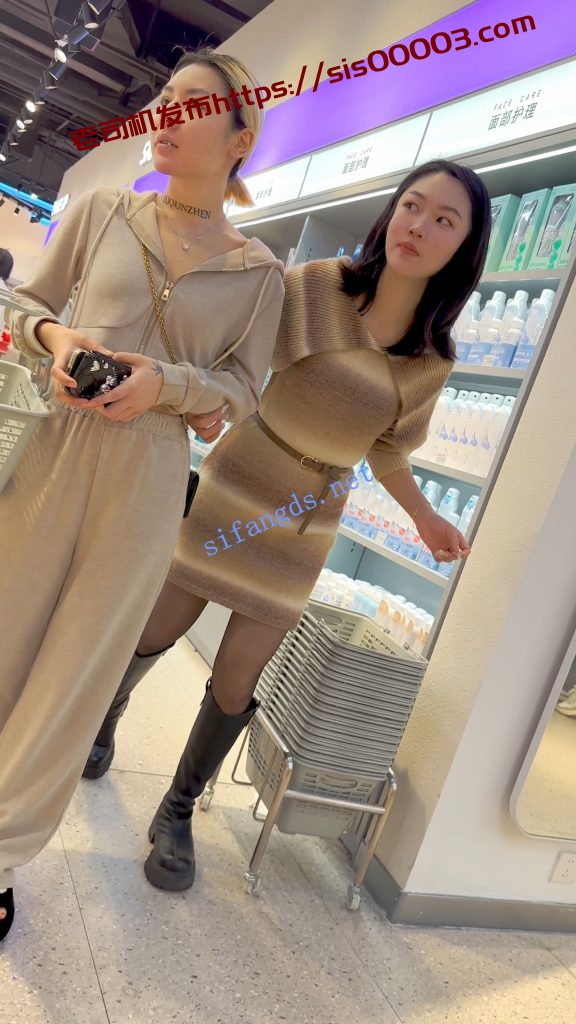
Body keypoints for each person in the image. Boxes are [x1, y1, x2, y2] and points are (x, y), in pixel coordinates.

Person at [83, 158, 492, 894]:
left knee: (237, 677)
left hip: (305, 520)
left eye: (444, 220)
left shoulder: (431, 360)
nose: (419, 226)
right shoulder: (322, 287)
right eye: (412, 205)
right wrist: (196, 397)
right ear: (392, 211)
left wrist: (425, 515)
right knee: (155, 628)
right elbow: (242, 359)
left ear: (464, 246)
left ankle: (177, 810)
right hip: (240, 481)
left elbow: (387, 447)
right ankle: (105, 717)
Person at [0, 49, 285, 942]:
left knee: (77, 667)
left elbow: (244, 389)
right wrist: (58, 339)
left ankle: (1, 851)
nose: (167, 115)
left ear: (238, 138)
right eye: (164, 99)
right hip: (55, 443)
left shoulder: (258, 274)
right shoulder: (103, 211)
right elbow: (23, 306)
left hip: (151, 474)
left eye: (193, 105)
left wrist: (167, 384)